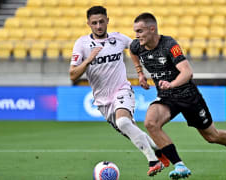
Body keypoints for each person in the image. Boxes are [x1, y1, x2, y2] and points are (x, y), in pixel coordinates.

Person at [129, 12, 226, 179]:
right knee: (151, 123)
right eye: (135, 31)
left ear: (152, 29)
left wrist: (171, 84)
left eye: (140, 31)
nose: (137, 36)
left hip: (188, 96)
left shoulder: (169, 44)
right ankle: (179, 166)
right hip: (166, 97)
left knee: (212, 136)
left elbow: (187, 72)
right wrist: (140, 74)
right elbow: (133, 52)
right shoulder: (137, 45)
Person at [69, 6, 170, 177]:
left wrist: (141, 73)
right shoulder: (82, 44)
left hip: (122, 90)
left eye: (101, 21)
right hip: (103, 102)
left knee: (124, 123)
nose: (99, 26)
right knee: (131, 130)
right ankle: (159, 150)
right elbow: (73, 75)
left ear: (107, 20)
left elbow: (138, 48)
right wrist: (88, 60)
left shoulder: (118, 39)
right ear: (88, 24)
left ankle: (153, 160)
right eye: (94, 23)